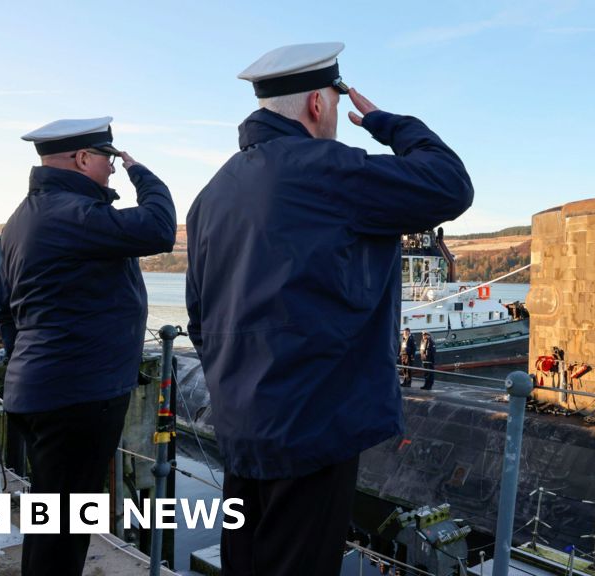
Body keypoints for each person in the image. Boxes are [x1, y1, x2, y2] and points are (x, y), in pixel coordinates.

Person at [184, 42, 474, 576]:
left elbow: (199, 315)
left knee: (245, 565)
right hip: (313, 428)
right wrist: (388, 123)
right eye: (337, 105)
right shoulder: (328, 170)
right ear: (319, 104)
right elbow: (451, 185)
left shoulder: (213, 192)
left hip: (242, 425)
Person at [0, 117, 176, 575]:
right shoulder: (71, 213)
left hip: (43, 390)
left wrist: (32, 366)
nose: (112, 169)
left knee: (52, 521)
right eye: (109, 159)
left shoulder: (24, 218)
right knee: (65, 528)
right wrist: (143, 173)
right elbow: (157, 228)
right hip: (77, 396)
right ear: (82, 159)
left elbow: (3, 311)